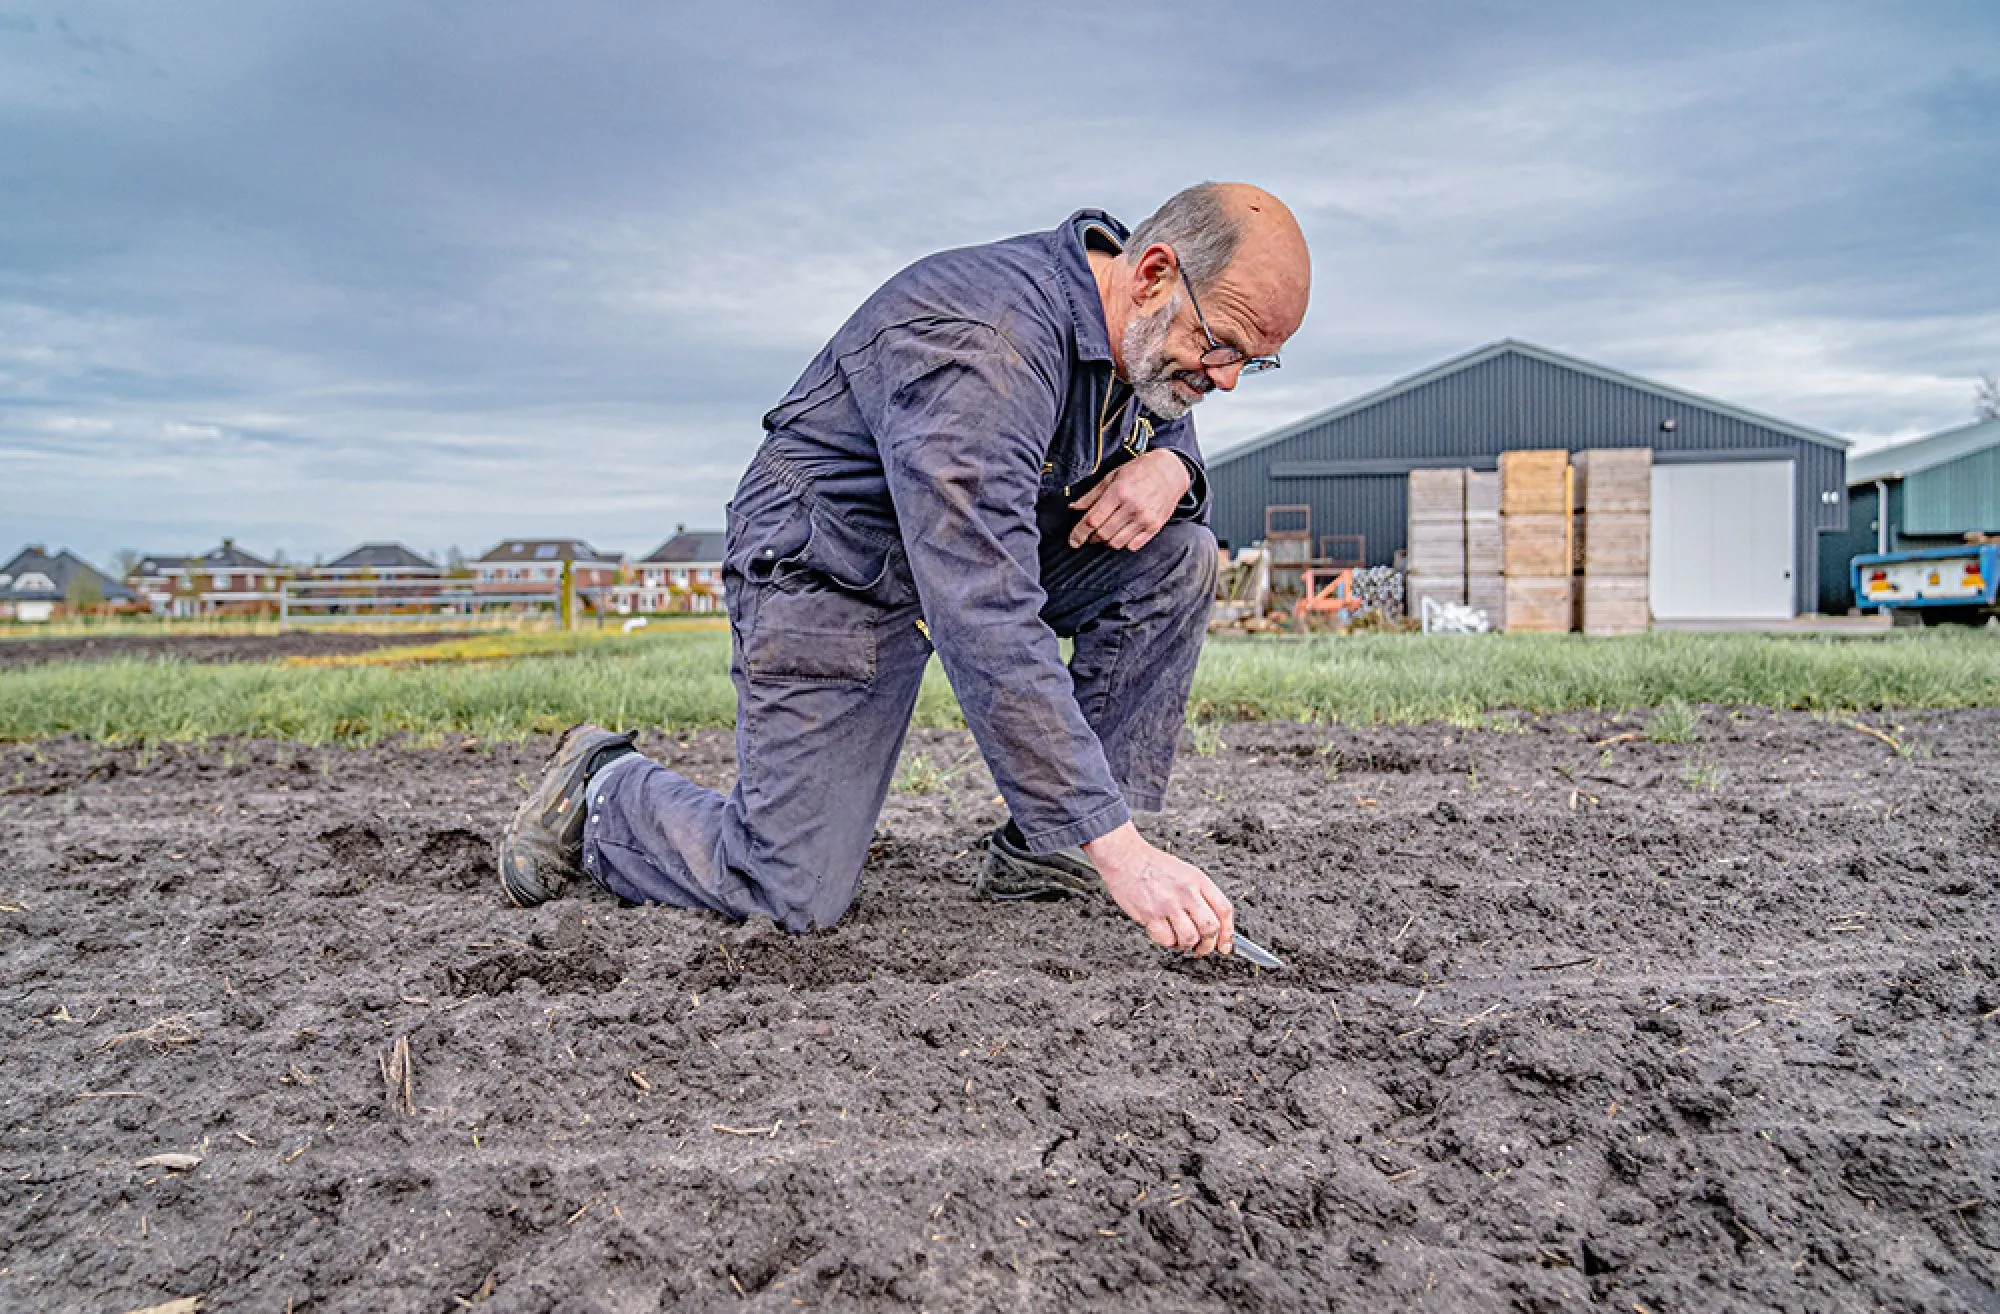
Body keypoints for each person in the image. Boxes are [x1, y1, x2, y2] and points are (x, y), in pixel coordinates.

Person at [498, 182, 1310, 959]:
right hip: (833, 567)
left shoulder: (1133, 328)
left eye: (1256, 363)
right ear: (1154, 272)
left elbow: (1156, 418)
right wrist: (1125, 853)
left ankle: (1049, 851)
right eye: (1222, 345)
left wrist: (1174, 466)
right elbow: (985, 611)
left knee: (1176, 555)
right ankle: (606, 789)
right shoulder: (984, 345)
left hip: (959, 554)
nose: (1228, 379)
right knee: (787, 890)